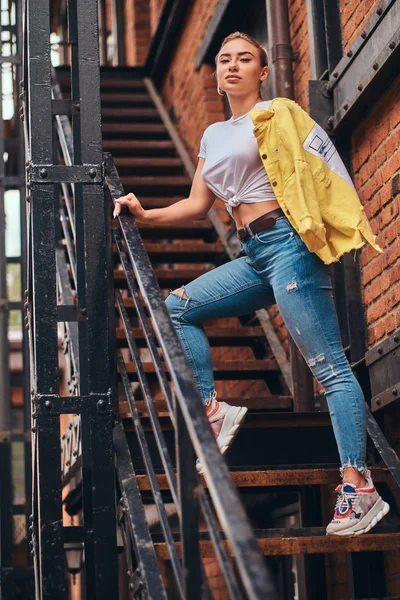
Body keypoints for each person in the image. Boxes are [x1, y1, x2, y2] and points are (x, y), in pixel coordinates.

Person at [114, 31, 390, 535]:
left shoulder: (279, 112)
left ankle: (358, 486)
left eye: (245, 59)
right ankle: (212, 409)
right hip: (253, 254)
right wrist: (144, 214)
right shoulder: (213, 136)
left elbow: (322, 171)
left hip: (288, 245)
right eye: (224, 60)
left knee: (328, 368)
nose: (233, 66)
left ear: (262, 72)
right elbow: (199, 205)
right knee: (176, 307)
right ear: (217, 74)